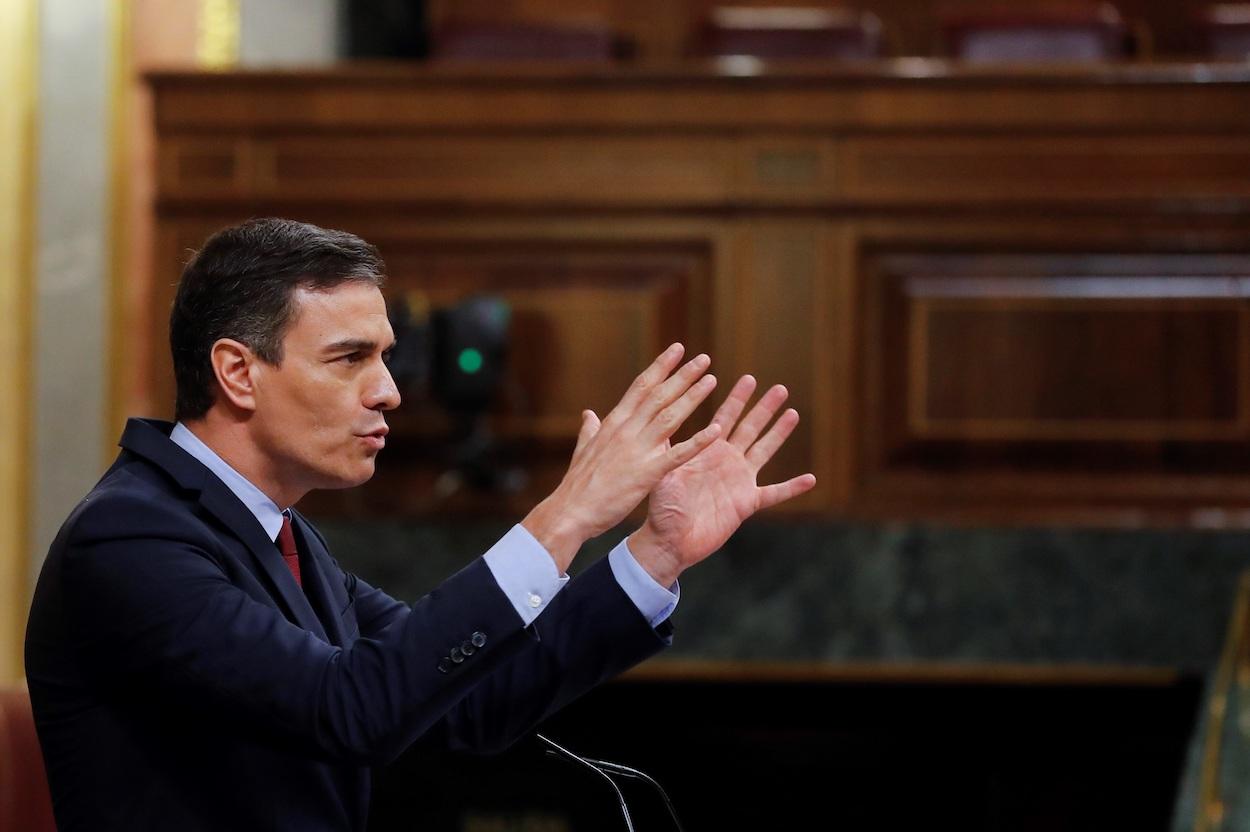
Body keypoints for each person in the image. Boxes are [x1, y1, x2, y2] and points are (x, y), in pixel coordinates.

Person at [24, 218, 816, 831]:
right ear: (237, 372)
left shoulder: (278, 536)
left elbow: (468, 700)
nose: (389, 392)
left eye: (387, 357)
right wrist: (566, 515)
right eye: (348, 359)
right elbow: (351, 709)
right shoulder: (132, 538)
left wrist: (655, 554)